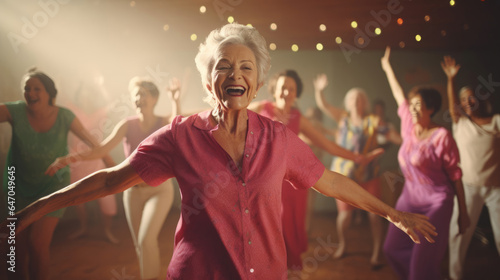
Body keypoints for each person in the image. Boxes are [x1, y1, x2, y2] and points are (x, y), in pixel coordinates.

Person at [3, 24, 437, 280]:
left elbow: (331, 181)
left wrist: (393, 213)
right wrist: (39, 206)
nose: (235, 73)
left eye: (246, 67)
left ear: (258, 82)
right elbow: (111, 179)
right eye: (223, 67)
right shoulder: (178, 136)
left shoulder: (278, 138)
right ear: (209, 83)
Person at [46, 76, 181, 280]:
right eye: (136, 94)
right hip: (132, 191)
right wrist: (68, 159)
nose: (138, 98)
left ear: (154, 98)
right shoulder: (126, 125)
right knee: (139, 244)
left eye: (143, 93)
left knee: (146, 240)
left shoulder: (164, 123)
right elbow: (101, 150)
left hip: (160, 191)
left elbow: (178, 125)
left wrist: (175, 100)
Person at [248, 69, 381, 273]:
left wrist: (356, 157)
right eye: (283, 88)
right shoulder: (259, 108)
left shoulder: (298, 118)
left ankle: (290, 270)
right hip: (264, 181)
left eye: (291, 89)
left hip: (290, 182)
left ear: (296, 93)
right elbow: (226, 116)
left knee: (289, 226)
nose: (286, 92)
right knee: (267, 227)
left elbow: (326, 144)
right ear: (274, 90)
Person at [0, 68, 114, 280]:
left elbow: (93, 142)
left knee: (37, 244)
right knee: (15, 249)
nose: (31, 93)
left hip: (52, 187)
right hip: (17, 186)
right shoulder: (13, 111)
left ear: (50, 93)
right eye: (27, 89)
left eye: (37, 89)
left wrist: (113, 166)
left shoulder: (64, 116)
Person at [381, 47, 470, 280]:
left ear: (431, 109)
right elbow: (398, 93)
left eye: (419, 104)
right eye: (412, 104)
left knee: (421, 266)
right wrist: (387, 67)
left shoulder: (441, 136)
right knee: (391, 250)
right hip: (409, 200)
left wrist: (463, 212)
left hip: (436, 204)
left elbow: (456, 176)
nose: (412, 107)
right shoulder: (408, 124)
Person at [313, 73, 386, 267]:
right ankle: (343, 245)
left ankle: (377, 253)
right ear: (348, 102)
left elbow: (390, 135)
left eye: (360, 98)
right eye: (353, 98)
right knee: (345, 216)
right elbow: (324, 105)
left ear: (365, 102)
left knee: (375, 215)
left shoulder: (372, 120)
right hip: (344, 175)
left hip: (369, 175)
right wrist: (320, 90)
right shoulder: (342, 118)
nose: (357, 101)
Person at [441, 56, 500, 280]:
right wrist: (451, 80)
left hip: (496, 189)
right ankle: (456, 276)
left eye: (472, 98)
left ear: (480, 100)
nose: (468, 102)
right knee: (458, 233)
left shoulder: (496, 122)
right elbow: (451, 102)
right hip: (468, 188)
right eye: (464, 99)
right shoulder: (460, 124)